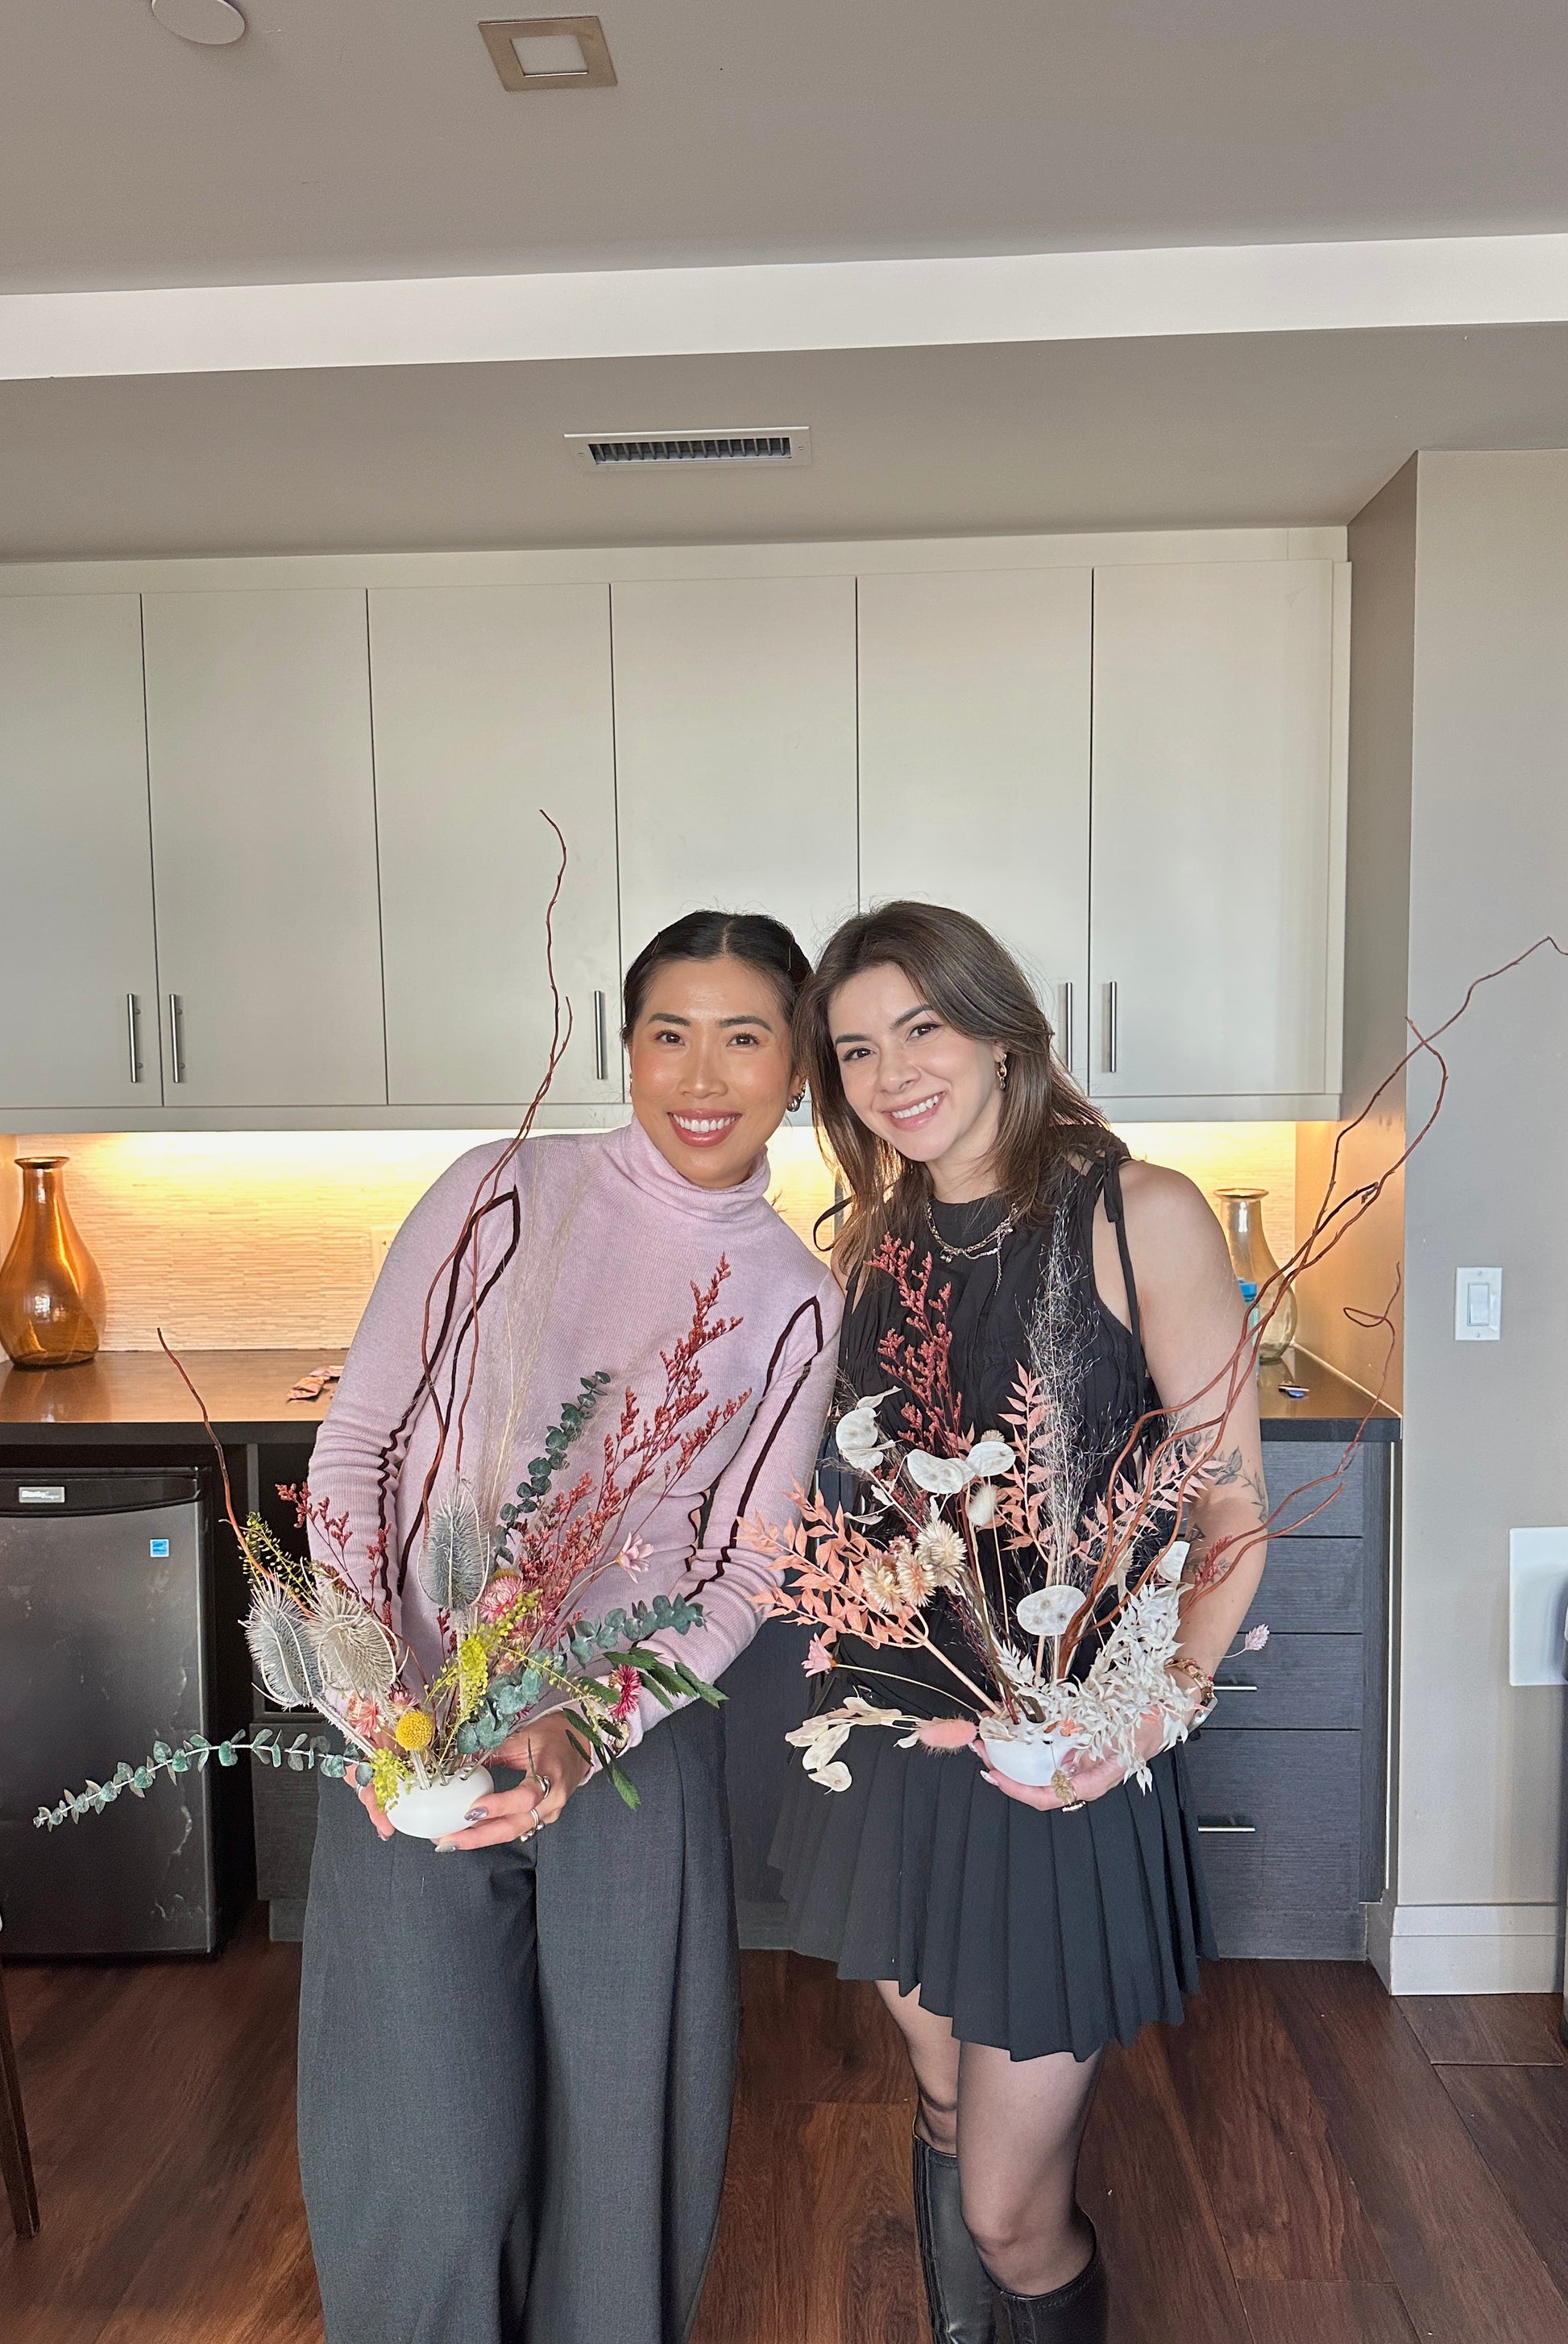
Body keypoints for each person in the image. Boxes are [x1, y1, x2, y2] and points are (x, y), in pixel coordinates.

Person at [297, 911, 842, 2344]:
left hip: (628, 1742)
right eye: (670, 1033)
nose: (701, 1075)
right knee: (428, 2161)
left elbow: (742, 1570)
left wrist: (588, 1724)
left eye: (743, 1037)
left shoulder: (795, 1299)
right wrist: (371, 1684)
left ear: (796, 1068)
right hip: (415, 1728)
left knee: (621, 2156)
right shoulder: (498, 1193)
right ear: (628, 1048)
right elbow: (357, 1444)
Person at [770, 902, 1269, 2344]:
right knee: (938, 2096)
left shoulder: (1137, 1213)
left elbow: (1230, 1513)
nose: (891, 1072)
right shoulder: (872, 1244)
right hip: (900, 1749)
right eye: (855, 1048)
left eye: (920, 1026)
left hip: (1067, 1764)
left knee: (1009, 2208)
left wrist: (1147, 1711)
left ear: (1000, 1033)